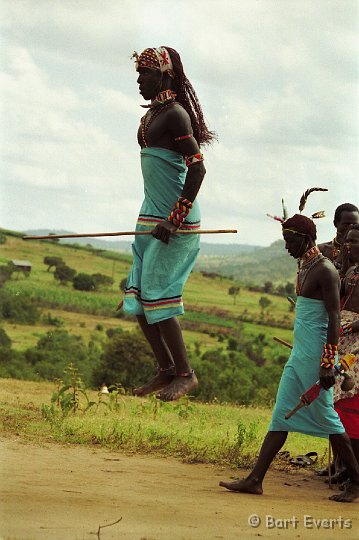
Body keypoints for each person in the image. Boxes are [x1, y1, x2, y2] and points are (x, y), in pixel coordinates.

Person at [220, 189, 359, 502]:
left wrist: (328, 362)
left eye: (289, 242)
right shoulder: (305, 266)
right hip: (300, 356)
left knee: (331, 421)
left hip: (314, 360)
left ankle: (356, 481)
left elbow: (334, 319)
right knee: (281, 413)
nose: (285, 248)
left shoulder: (324, 270)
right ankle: (255, 479)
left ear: (305, 239)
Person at [122, 46, 214, 401]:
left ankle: (186, 374)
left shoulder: (175, 114)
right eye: (138, 73)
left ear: (164, 74)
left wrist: (174, 221)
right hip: (150, 216)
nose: (139, 80)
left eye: (145, 73)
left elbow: (198, 167)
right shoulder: (153, 115)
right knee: (140, 299)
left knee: (158, 297)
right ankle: (165, 371)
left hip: (175, 221)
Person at [329, 224, 359, 483]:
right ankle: (343, 469)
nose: (350, 245)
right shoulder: (350, 270)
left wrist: (352, 326)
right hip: (343, 342)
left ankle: (353, 477)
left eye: (356, 242)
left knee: (350, 405)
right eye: (348, 241)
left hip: (356, 346)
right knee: (337, 403)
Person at [318, 203, 359, 276]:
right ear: (335, 224)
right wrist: (339, 260)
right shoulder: (321, 251)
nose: (350, 229)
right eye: (346, 225)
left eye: (354, 225)